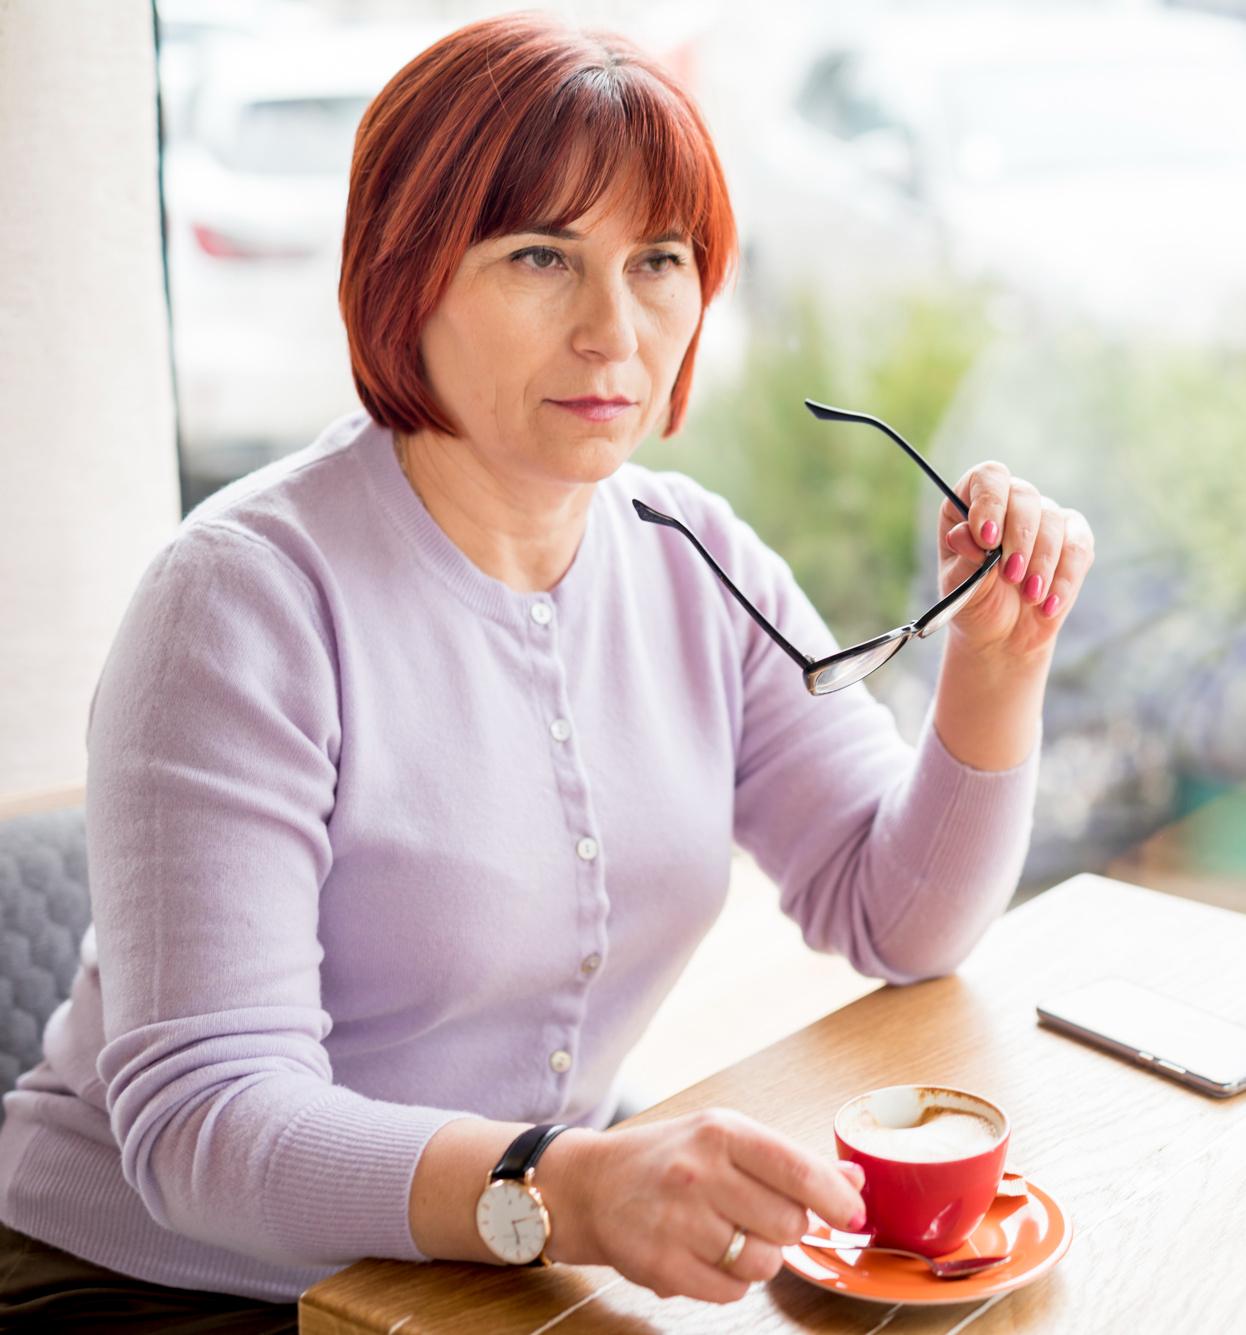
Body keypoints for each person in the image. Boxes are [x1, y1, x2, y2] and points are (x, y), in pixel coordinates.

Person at [0, 15, 1092, 1329]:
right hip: (162, 1281)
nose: (613, 332)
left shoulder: (694, 556)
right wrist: (564, 1189)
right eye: (539, 257)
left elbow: (895, 917)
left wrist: (994, 670)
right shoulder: (239, 602)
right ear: (406, 276)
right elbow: (207, 1133)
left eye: (658, 261)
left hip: (488, 1263)